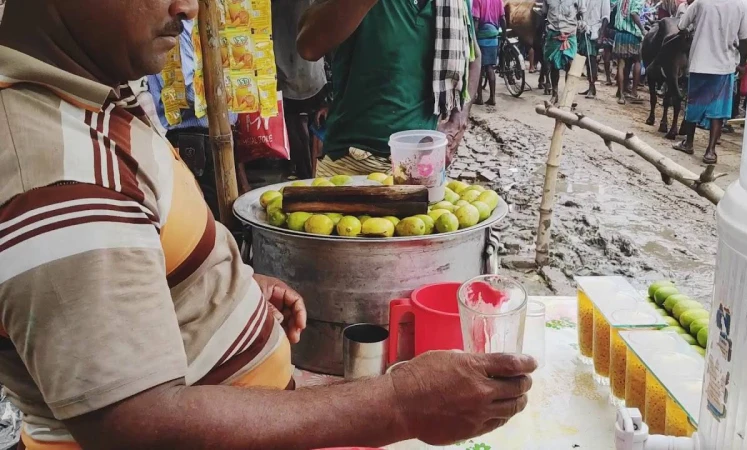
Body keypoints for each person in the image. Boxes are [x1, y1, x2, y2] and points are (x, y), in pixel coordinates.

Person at [0, 1, 536, 449]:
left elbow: (111, 266)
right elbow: (138, 425)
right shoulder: (55, 168)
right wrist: (397, 405)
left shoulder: (88, 99)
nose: (188, 6)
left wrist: (223, 288)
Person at [298, 0, 482, 176]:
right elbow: (308, 46)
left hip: (420, 165)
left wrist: (457, 121)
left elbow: (472, 56)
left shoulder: (455, 3)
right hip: (349, 161)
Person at [146, 20, 239, 218]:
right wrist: (226, 93)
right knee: (206, 212)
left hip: (205, 135)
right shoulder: (178, 27)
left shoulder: (198, 23)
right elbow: (189, 92)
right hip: (193, 136)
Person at [673, 0, 747, 164]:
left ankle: (688, 143)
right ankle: (710, 151)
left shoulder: (700, 1)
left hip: (699, 62)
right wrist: (742, 63)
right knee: (718, 109)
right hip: (724, 65)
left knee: (693, 105)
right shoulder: (743, 4)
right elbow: (745, 40)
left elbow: (681, 25)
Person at [273, 0, 328, 180]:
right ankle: (307, 174)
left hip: (302, 67)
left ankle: (306, 173)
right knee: (303, 125)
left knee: (301, 125)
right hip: (297, 67)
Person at [541, 0, 586, 105]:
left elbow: (582, 12)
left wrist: (582, 23)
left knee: (570, 66)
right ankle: (554, 94)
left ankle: (568, 96)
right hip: (553, 34)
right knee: (553, 65)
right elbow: (544, 12)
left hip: (570, 34)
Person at [612, 0, 645, 105]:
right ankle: (634, 92)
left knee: (621, 64)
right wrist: (643, 30)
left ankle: (621, 94)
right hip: (632, 34)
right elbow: (634, 13)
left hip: (619, 34)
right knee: (637, 61)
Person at [473, 0, 505, 106]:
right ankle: (492, 98)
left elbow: (476, 20)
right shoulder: (499, 1)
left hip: (482, 36)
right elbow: (503, 19)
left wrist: (474, 37)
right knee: (490, 67)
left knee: (479, 68)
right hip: (494, 37)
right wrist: (503, 37)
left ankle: (480, 98)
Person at [579, 0, 611, 99]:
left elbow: (606, 17)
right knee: (587, 60)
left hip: (595, 31)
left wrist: (601, 35)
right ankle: (590, 86)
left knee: (591, 59)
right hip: (584, 29)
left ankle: (592, 87)